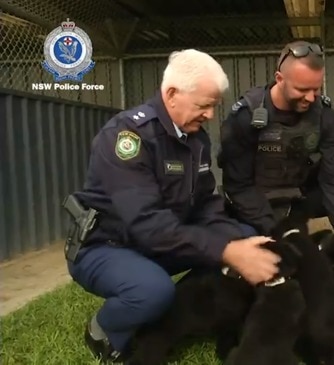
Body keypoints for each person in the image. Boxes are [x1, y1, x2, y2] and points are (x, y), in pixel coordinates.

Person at [65, 49, 281, 363]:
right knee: (153, 290)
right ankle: (105, 330)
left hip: (161, 241)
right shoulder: (126, 137)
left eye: (214, 106)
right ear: (172, 94)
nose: (210, 115)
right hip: (108, 246)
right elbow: (148, 224)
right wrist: (227, 252)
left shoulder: (196, 140)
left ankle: (175, 313)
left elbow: (207, 205)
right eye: (204, 105)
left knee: (241, 235)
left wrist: (235, 243)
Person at [218, 40, 334, 277]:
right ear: (279, 79)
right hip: (257, 203)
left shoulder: (326, 118)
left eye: (316, 89)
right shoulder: (246, 117)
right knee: (262, 272)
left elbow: (333, 183)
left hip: (300, 197)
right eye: (302, 90)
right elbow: (237, 186)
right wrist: (277, 229)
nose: (310, 98)